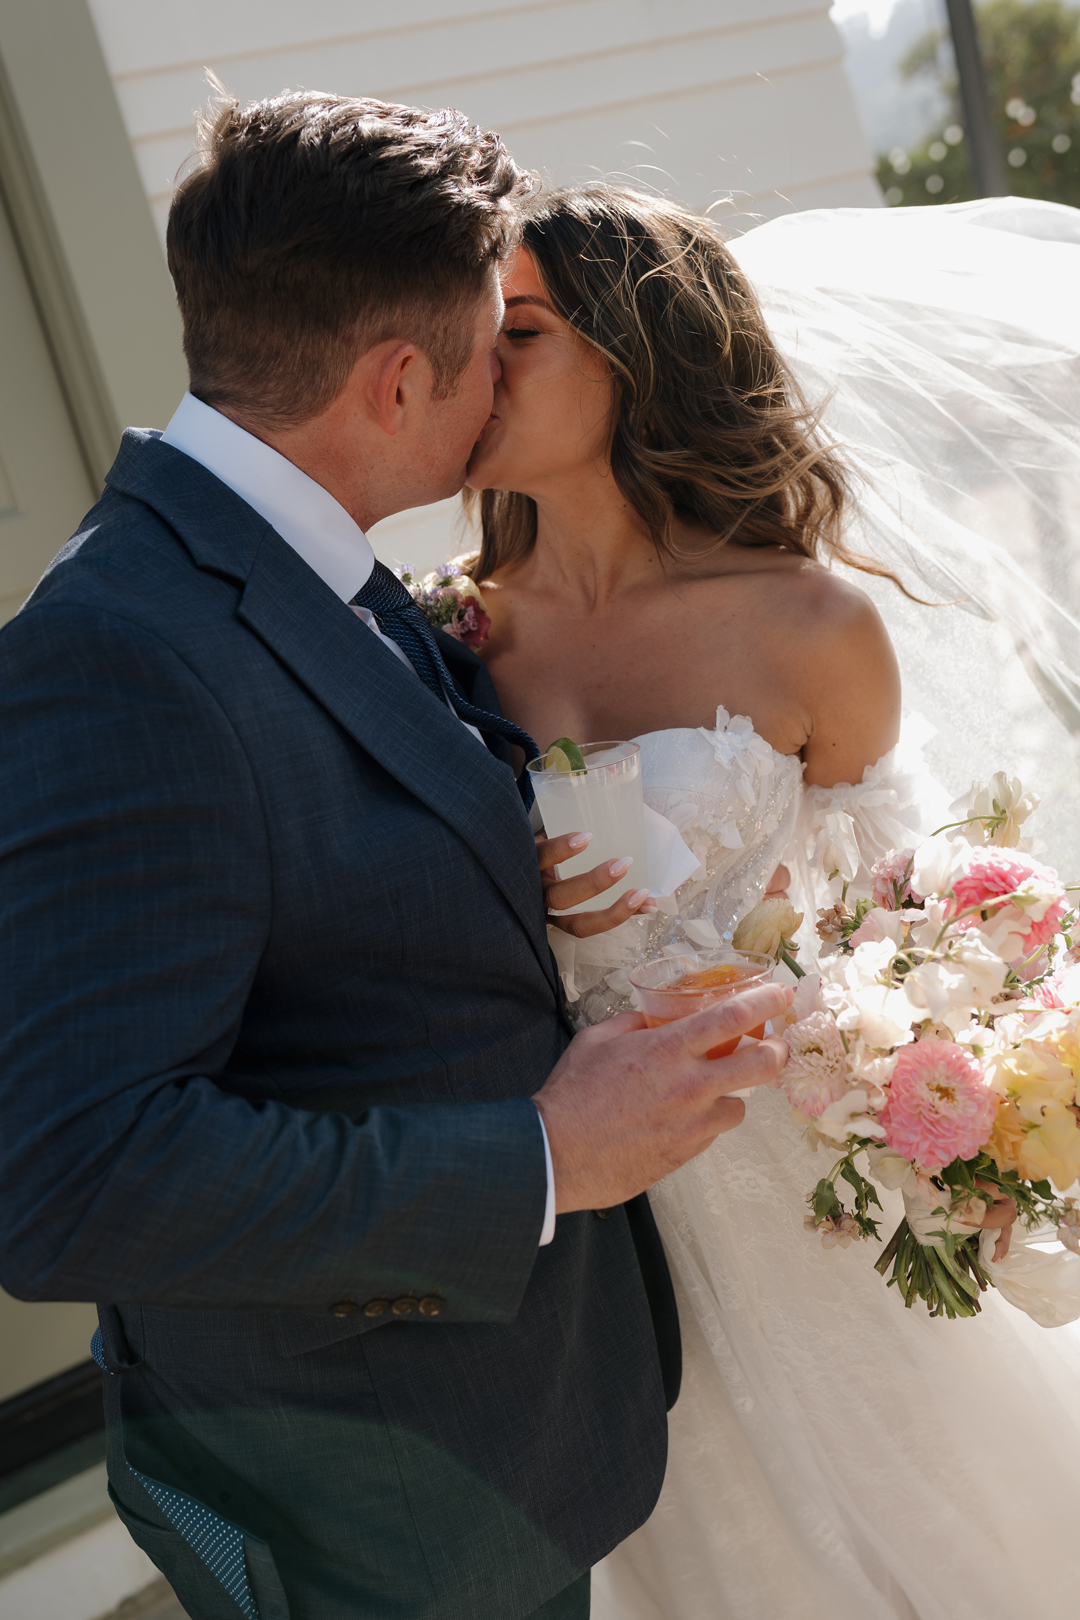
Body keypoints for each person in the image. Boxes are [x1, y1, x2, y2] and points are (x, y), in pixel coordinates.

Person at [0, 101, 795, 1620]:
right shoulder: (114, 657)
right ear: (401, 377)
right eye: (501, 338)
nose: (514, 375)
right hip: (364, 1508)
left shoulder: (321, 565)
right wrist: (548, 1156)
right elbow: (73, 1179)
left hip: (492, 1445)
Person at [464, 183, 1080, 1620]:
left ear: (637, 352)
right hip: (602, 1234)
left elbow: (917, 932)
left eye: (525, 332)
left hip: (810, 1192)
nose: (480, 363)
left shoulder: (813, 624)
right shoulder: (452, 632)